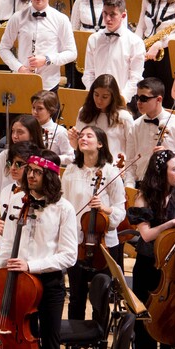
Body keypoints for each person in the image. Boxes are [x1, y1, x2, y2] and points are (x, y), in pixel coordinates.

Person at [0, 150, 78, 349]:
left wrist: (31, 266)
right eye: (30, 170)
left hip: (48, 285)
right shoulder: (18, 200)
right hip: (18, 283)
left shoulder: (64, 208)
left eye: (38, 172)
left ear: (50, 176)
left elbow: (69, 255)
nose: (31, 176)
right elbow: (8, 244)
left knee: (49, 346)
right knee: (22, 343)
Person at [61, 126, 126, 322]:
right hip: (77, 242)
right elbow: (62, 203)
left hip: (104, 244)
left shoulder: (111, 172)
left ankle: (99, 339)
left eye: (89, 136)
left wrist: (105, 209)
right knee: (76, 295)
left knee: (101, 295)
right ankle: (73, 341)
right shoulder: (71, 170)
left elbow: (121, 210)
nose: (83, 138)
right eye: (81, 135)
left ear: (100, 144)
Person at [128, 149, 175, 349]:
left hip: (174, 271)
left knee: (172, 326)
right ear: (161, 172)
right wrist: (170, 224)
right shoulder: (144, 196)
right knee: (145, 328)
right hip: (148, 266)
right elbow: (146, 235)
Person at [0, 0, 77, 92]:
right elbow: (3, 48)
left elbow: (72, 53)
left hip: (49, 85)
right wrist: (19, 68)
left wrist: (47, 59)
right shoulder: (17, 17)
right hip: (24, 82)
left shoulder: (61, 19)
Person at [83, 0, 145, 103]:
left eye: (112, 14)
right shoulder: (94, 39)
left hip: (122, 100)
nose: (107, 19)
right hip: (96, 100)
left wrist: (122, 98)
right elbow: (89, 73)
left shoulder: (135, 42)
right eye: (105, 13)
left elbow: (135, 78)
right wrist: (96, 96)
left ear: (123, 15)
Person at [127, 77, 175, 186]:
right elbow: (130, 163)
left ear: (159, 99)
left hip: (170, 185)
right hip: (142, 184)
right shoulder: (135, 126)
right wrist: (129, 187)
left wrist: (170, 155)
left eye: (144, 98)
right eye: (137, 98)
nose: (139, 102)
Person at [70, 74, 135, 167]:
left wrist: (125, 165)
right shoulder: (84, 112)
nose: (99, 100)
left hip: (115, 168)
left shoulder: (124, 117)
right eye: (96, 95)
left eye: (104, 97)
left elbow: (132, 147)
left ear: (113, 97)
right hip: (88, 166)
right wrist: (73, 140)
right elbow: (79, 147)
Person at [0, 114, 46, 203]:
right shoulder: (4, 155)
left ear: (32, 134)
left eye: (20, 132)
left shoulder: (43, 159)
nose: (15, 136)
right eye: (13, 131)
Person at [0, 141, 39, 221]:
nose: (12, 168)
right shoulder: (5, 190)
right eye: (10, 163)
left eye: (19, 164)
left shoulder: (37, 195)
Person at [31, 90, 73, 166]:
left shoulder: (60, 131)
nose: (35, 112)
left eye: (40, 108)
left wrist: (51, 158)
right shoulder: (28, 128)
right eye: (33, 108)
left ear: (50, 110)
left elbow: (70, 157)